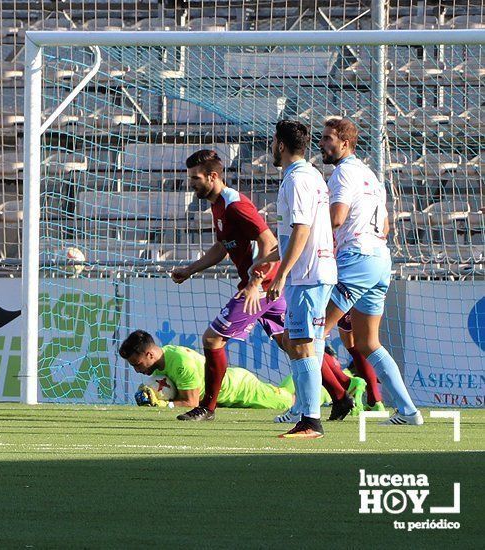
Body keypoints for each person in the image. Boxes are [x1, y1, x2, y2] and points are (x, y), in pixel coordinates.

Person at [169, 149, 288, 421]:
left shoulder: (235, 204)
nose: (192, 183)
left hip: (260, 286)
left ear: (213, 176)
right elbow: (223, 247)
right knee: (291, 342)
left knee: (212, 339)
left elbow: (269, 242)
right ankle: (342, 391)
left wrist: (255, 283)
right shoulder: (218, 205)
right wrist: (190, 269)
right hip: (262, 285)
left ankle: (207, 408)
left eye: (196, 178)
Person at [317, 118, 421, 425]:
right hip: (379, 260)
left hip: (357, 258)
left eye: (327, 139)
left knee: (312, 332)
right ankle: (408, 411)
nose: (321, 144)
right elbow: (386, 226)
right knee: (367, 343)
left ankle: (305, 412)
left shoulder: (343, 173)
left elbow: (336, 218)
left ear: (344, 143)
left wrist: (306, 229)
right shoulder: (371, 176)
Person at [253, 120, 337, 439]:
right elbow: (299, 232)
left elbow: (302, 229)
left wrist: (282, 273)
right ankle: (304, 409)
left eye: (273, 142)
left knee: (301, 345)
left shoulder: (297, 179)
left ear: (280, 145)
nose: (271, 148)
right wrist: (269, 259)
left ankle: (311, 421)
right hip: (315, 271)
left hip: (307, 275)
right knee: (298, 343)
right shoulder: (311, 175)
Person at [119, 330, 295, 411]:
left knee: (290, 401)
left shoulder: (181, 362)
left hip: (242, 389)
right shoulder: (158, 366)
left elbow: (192, 403)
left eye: (137, 364)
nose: (136, 370)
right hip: (226, 395)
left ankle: (319, 379)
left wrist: (164, 405)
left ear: (150, 354)